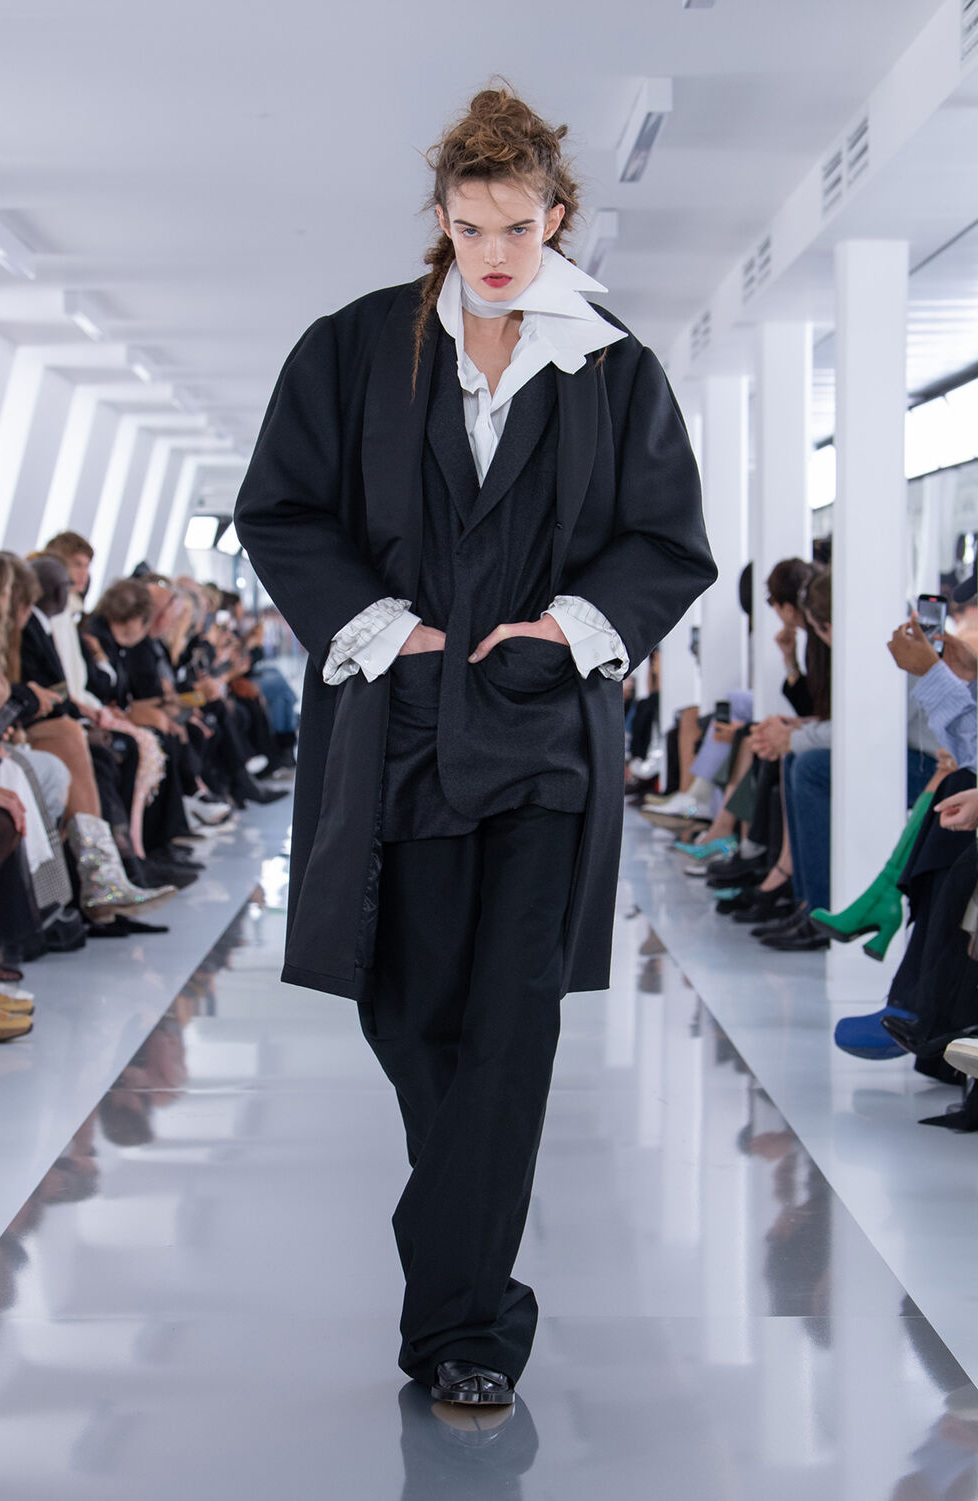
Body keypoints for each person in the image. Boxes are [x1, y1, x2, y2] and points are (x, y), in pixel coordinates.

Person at [235, 85, 716, 1406]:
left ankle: (466, 1331)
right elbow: (278, 510)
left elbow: (668, 538)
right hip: (397, 733)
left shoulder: (613, 365)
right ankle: (466, 1269)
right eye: (469, 226)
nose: (494, 252)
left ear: (556, 216)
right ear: (440, 219)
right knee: (413, 1014)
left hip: (543, 738)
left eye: (516, 225)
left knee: (511, 1025)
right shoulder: (352, 350)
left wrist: (567, 628)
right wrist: (386, 627)